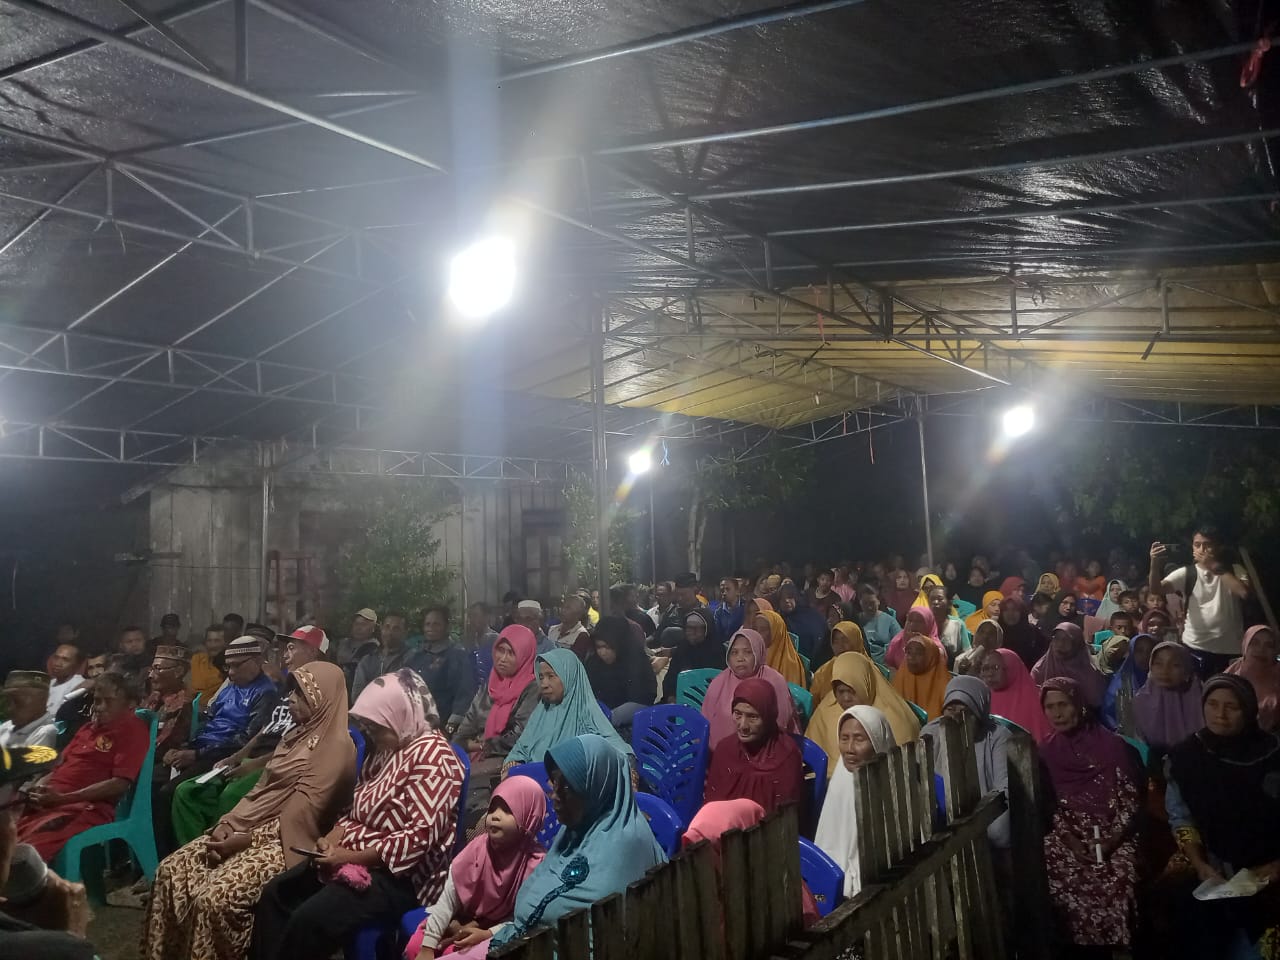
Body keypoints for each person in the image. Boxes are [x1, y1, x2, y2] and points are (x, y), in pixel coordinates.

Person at [143, 662, 355, 960]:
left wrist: (246, 839)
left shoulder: (336, 748)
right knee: (171, 872)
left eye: (302, 694)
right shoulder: (294, 736)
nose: (291, 699)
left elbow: (301, 816)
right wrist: (228, 823)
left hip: (289, 843)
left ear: (325, 700)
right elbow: (259, 790)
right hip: (251, 830)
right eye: (292, 691)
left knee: (215, 899)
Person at [250, 670, 463, 960]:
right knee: (276, 894)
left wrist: (348, 857)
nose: (371, 734)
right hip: (354, 855)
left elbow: (417, 840)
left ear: (399, 714)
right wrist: (330, 840)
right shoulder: (389, 747)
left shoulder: (435, 758)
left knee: (308, 920)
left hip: (402, 879)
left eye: (376, 727)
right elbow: (355, 809)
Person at [488, 734, 666, 950]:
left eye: (566, 788)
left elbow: (598, 939)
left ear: (595, 788)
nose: (554, 796)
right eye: (554, 784)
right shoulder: (575, 830)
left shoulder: (627, 845)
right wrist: (495, 932)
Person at [168, 627, 329, 849]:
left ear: (312, 652)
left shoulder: (321, 690)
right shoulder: (288, 687)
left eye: (292, 648)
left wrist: (252, 764)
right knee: (187, 792)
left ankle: (220, 854)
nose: (285, 655)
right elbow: (265, 730)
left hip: (282, 763)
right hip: (253, 757)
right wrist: (235, 757)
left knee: (230, 796)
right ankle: (195, 855)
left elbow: (300, 744)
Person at [1165, 675, 1280, 958]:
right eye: (1213, 704)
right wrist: (1199, 862)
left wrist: (1277, 865)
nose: (1220, 714)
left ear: (1249, 710)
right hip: (1214, 870)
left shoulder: (1274, 755)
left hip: (1269, 873)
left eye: (1232, 707)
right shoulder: (1186, 757)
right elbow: (1181, 817)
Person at [1038, 677, 1141, 952]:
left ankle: (1118, 949)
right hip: (1067, 832)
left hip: (1113, 830)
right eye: (1050, 707)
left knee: (1121, 875)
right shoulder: (1045, 752)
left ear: (1080, 705)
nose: (1057, 713)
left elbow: (1130, 802)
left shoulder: (1112, 747)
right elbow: (1048, 805)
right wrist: (1069, 838)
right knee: (1052, 870)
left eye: (1064, 704)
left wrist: (1111, 840)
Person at [403, 776, 546, 960]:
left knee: (452, 953)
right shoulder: (477, 849)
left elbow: (521, 920)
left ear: (529, 818)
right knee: (414, 948)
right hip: (459, 916)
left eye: (507, 810)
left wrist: (486, 934)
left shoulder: (535, 864)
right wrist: (428, 945)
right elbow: (448, 899)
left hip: (496, 931)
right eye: (492, 808)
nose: (495, 815)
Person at [16, 672, 148, 862]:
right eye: (97, 700)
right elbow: (58, 767)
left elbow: (119, 784)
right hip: (51, 802)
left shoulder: (132, 729)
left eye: (108, 701)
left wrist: (63, 799)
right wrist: (39, 787)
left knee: (24, 853)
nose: (99, 707)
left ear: (130, 704)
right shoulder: (88, 729)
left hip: (84, 808)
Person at [453, 625, 540, 818]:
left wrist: (479, 745)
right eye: (500, 650)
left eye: (511, 653)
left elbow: (518, 737)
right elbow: (463, 732)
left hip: (507, 763)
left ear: (524, 655)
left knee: (464, 799)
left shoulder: (532, 688)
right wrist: (467, 745)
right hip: (476, 759)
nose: (503, 658)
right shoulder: (490, 685)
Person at [814, 705, 896, 897]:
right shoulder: (840, 780)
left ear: (877, 741)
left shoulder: (893, 784)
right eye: (844, 738)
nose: (849, 749)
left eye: (859, 739)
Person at [922, 676, 1011, 849]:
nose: (956, 717)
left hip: (984, 812)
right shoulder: (931, 732)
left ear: (979, 712)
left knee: (998, 831)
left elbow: (1004, 787)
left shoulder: (997, 737)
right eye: (950, 709)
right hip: (941, 814)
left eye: (964, 710)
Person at [502, 650, 632, 767]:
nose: (544, 684)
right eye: (541, 677)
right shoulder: (541, 714)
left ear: (569, 677)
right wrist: (511, 765)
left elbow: (622, 756)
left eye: (551, 676)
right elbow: (519, 750)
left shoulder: (588, 717)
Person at [1150, 529, 1251, 676]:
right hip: (1195, 647)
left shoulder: (1234, 569)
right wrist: (1154, 563)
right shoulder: (1187, 573)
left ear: (1217, 547)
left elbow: (1244, 592)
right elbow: (1156, 589)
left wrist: (1213, 566)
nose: (1202, 549)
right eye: (1197, 545)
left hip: (1230, 649)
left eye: (1207, 545)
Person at [806, 653, 920, 774]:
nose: (846, 698)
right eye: (841, 691)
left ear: (865, 685)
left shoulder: (896, 721)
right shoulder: (827, 710)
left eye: (851, 691)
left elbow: (900, 772)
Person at [702, 678, 804, 814]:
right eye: (738, 714)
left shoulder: (786, 756)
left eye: (752, 717)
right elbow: (712, 806)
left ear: (768, 716)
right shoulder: (725, 750)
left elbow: (786, 817)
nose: (743, 725)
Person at [701, 629, 799, 745]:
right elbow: (704, 722)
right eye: (734, 652)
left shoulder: (774, 681)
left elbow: (781, 724)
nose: (740, 658)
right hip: (721, 751)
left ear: (758, 653)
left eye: (747, 652)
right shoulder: (719, 682)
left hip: (766, 749)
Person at [408, 606, 476, 736]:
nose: (430, 628)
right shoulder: (417, 655)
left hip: (442, 726)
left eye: (436, 624)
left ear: (447, 627)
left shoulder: (457, 655)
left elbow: (464, 694)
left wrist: (450, 729)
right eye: (427, 624)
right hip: (415, 724)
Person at [1132, 641, 1203, 758]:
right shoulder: (1140, 701)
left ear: (1187, 668)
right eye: (1158, 663)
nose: (1165, 670)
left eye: (1175, 665)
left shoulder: (1201, 699)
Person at [585, 615, 655, 728]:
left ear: (620, 644)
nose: (602, 653)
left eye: (608, 647)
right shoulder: (594, 662)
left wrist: (610, 717)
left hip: (633, 725)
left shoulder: (637, 661)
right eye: (599, 647)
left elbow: (643, 700)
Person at [980, 648, 1052, 741]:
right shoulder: (982, 700)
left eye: (996, 667)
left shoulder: (1038, 701)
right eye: (985, 668)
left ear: (1012, 668)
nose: (990, 674)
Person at [1031, 623, 1107, 708]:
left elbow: (1096, 704)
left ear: (1077, 643)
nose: (1060, 644)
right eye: (1056, 638)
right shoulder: (1040, 669)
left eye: (1066, 640)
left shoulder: (1091, 674)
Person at [144, 646, 194, 773]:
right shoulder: (155, 696)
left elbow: (162, 745)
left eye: (158, 669)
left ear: (178, 671)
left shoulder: (182, 704)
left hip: (156, 763)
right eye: (151, 669)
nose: (151, 675)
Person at [660, 610, 725, 701]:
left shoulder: (718, 652)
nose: (691, 632)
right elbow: (670, 678)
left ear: (707, 629)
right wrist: (671, 696)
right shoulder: (682, 648)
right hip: (678, 701)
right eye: (688, 628)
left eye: (696, 628)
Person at [1226, 624, 1279, 732]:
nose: (1261, 650)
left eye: (1269, 645)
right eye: (1254, 643)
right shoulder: (1230, 676)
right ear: (1245, 646)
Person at [1100, 633, 1156, 736]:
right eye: (1139, 651)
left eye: (1150, 651)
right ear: (1131, 653)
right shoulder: (1120, 684)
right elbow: (1109, 717)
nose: (1145, 656)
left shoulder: (1161, 681)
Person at [351, 610, 412, 702]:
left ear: (405, 632)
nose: (390, 632)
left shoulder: (413, 659)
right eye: (387, 627)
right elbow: (356, 696)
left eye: (396, 628)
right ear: (381, 628)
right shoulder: (367, 660)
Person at [891, 635, 951, 720]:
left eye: (919, 653)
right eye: (909, 652)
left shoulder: (945, 686)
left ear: (930, 657)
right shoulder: (902, 674)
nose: (912, 657)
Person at [809, 621, 867, 703]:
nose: (840, 646)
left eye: (845, 641)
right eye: (836, 641)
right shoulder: (824, 671)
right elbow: (814, 701)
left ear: (856, 642)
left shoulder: (869, 671)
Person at [0, 673, 57, 750]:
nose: (10, 709)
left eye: (18, 702)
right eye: (8, 702)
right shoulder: (7, 725)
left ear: (41, 701)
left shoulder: (45, 732)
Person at [777, 582, 828, 661]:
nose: (786, 600)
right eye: (782, 598)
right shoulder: (778, 620)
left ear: (796, 598)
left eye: (790, 597)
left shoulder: (811, 615)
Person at [755, 609, 807, 686]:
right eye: (755, 629)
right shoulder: (753, 655)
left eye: (763, 629)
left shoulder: (790, 665)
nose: (757, 633)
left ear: (776, 632)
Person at [884, 606, 944, 671]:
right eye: (910, 620)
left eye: (919, 621)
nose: (912, 624)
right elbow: (888, 665)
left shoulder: (937, 650)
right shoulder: (898, 641)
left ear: (928, 624)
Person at [997, 596, 1048, 669]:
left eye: (1015, 610)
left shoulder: (1034, 633)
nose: (1010, 613)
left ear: (1022, 612)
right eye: (1006, 610)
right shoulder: (996, 633)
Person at [927, 585, 971, 665]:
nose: (935, 602)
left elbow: (967, 651)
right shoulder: (924, 622)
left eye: (940, 599)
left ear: (948, 602)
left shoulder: (958, 624)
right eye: (932, 599)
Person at [856, 584, 898, 664]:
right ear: (860, 603)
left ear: (878, 601)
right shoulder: (856, 620)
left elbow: (899, 642)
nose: (869, 607)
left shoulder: (889, 621)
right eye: (865, 603)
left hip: (884, 665)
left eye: (872, 603)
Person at [334, 608, 379, 680]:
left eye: (363, 624)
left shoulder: (373, 648)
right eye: (356, 623)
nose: (358, 628)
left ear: (373, 628)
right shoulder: (342, 643)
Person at [44, 644, 85, 716]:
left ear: (77, 664)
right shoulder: (49, 683)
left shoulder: (79, 684)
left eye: (65, 660)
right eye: (56, 657)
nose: (57, 664)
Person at [189, 626, 226, 704]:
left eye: (217, 641)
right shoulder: (197, 659)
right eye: (209, 641)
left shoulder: (227, 667)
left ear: (225, 643)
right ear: (205, 643)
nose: (213, 645)